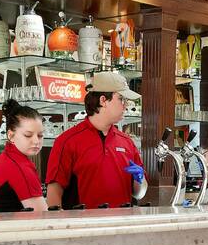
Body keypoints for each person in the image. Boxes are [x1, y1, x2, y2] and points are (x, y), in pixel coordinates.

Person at [45, 71, 144, 209]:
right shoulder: (67, 141)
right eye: (121, 99)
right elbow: (54, 190)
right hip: (83, 226)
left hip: (122, 225)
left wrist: (140, 180)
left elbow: (138, 193)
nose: (126, 105)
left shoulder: (127, 142)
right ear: (103, 100)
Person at [0, 100, 47, 213]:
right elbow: (41, 215)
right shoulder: (18, 167)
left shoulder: (4, 159)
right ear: (11, 135)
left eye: (40, 135)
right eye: (28, 135)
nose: (36, 141)